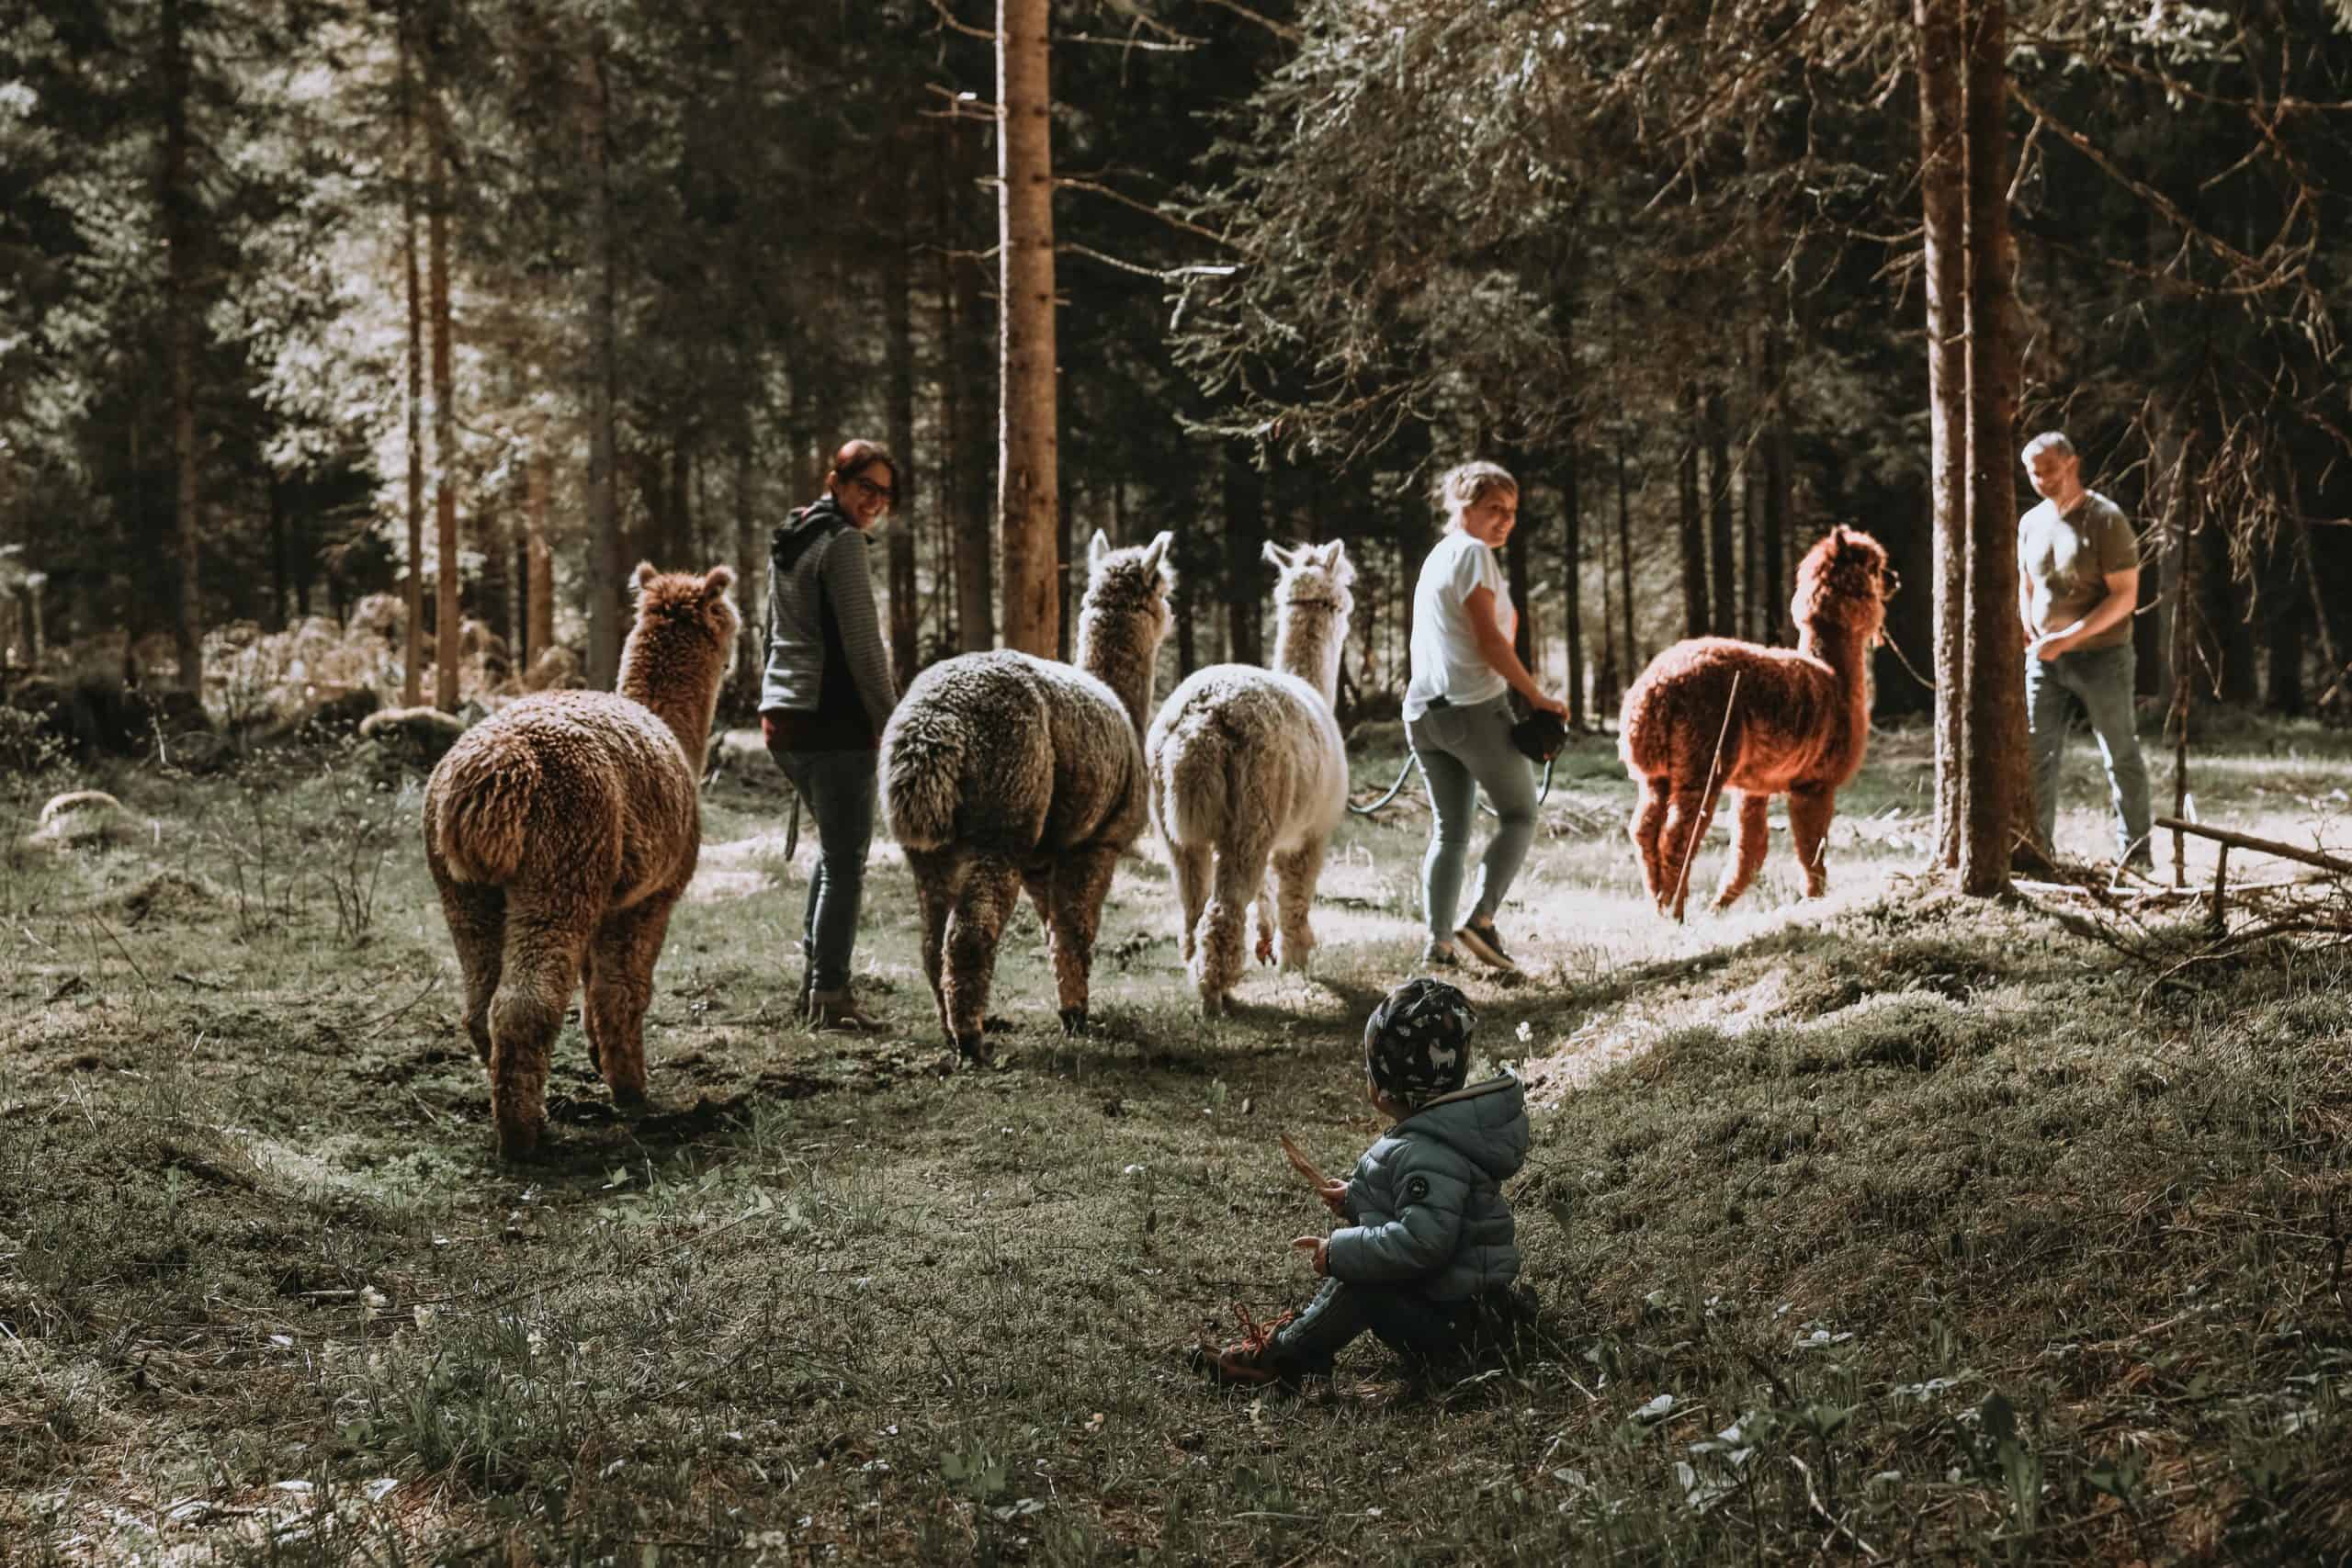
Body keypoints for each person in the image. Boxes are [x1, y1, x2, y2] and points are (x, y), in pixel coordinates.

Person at [1201, 977, 1531, 1387]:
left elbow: (1423, 1243)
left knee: (1363, 1282)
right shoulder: (1437, 1135)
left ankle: (1283, 1359)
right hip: (1462, 1306)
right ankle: (1295, 1343)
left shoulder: (1428, 1151)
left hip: (1458, 1328)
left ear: (1388, 1086)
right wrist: (1357, 1197)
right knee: (1364, 1267)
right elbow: (1426, 1214)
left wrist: (1338, 1250)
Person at [1402, 461, 1567, 973]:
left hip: (1423, 714)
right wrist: (1538, 697)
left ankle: (1439, 945)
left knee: (1450, 831)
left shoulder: (1439, 556)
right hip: (1473, 708)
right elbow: (1488, 639)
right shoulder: (1473, 554)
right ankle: (1481, 922)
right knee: (1520, 815)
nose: (1505, 521)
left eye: (1512, 512)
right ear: (1465, 507)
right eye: (1494, 509)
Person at [761, 439, 901, 1029]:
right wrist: (894, 723)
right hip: (832, 719)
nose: (874, 502)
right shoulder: (841, 544)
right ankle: (831, 996)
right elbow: (865, 649)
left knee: (835, 852)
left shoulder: (793, 535)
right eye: (865, 487)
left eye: (885, 494)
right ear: (836, 482)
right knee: (847, 862)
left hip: (784, 718)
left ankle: (816, 982)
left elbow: (770, 633)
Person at [2016, 432, 2153, 873]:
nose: (2040, 480)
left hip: (2103, 658)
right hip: (2044, 660)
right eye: (2033, 472)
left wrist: (2069, 637)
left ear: (2072, 464)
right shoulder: (2031, 522)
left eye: (2048, 470)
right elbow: (2028, 583)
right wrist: (2027, 628)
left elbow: (2125, 597)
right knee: (2036, 757)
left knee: (2120, 754)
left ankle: (2136, 858)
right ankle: (2037, 855)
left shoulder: (2105, 520)